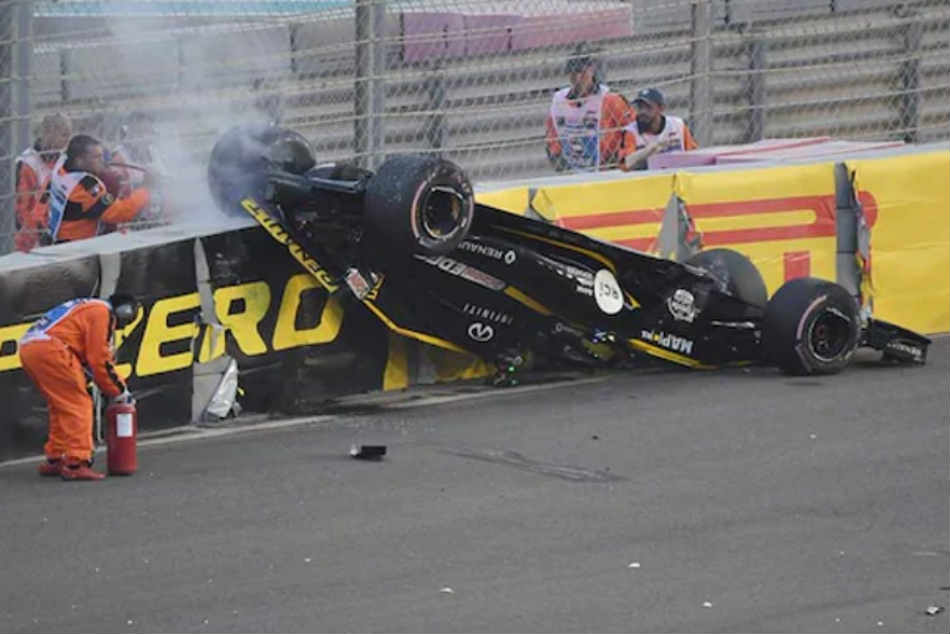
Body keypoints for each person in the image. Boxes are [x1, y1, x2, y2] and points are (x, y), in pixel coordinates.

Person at [18, 294, 140, 481]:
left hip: (30, 348)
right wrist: (120, 392)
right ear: (124, 313)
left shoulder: (88, 307)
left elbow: (89, 361)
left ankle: (56, 457)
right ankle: (77, 462)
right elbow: (100, 361)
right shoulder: (102, 312)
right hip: (51, 348)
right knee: (78, 404)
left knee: (61, 404)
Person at [45, 134, 151, 243]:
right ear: (79, 161)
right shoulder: (85, 187)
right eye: (97, 157)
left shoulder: (61, 167)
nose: (103, 161)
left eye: (102, 156)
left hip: (58, 237)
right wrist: (146, 189)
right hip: (77, 245)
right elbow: (121, 212)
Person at [545, 43, 634, 172]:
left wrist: (623, 157)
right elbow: (551, 137)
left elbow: (631, 128)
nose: (577, 78)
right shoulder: (559, 100)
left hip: (608, 167)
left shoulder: (610, 98)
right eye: (573, 73)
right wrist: (559, 160)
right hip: (573, 169)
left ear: (591, 70)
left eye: (581, 72)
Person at [13, 113, 72, 251]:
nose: (67, 141)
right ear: (48, 133)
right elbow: (22, 210)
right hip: (32, 236)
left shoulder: (63, 159)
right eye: (64, 135)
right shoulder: (28, 162)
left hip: (57, 229)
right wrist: (38, 234)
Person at [619, 87, 698, 171]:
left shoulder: (677, 125)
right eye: (640, 107)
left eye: (648, 107)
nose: (642, 111)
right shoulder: (631, 131)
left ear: (661, 108)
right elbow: (624, 166)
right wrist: (649, 150)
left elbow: (693, 155)